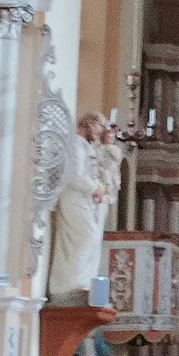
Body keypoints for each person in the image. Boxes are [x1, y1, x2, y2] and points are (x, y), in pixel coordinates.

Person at [49, 114, 122, 297]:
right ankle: (66, 288)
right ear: (88, 124)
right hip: (74, 198)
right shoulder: (74, 143)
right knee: (83, 238)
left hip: (85, 201)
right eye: (100, 125)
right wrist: (95, 188)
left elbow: (103, 166)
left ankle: (82, 284)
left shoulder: (87, 147)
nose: (101, 130)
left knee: (91, 241)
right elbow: (74, 175)